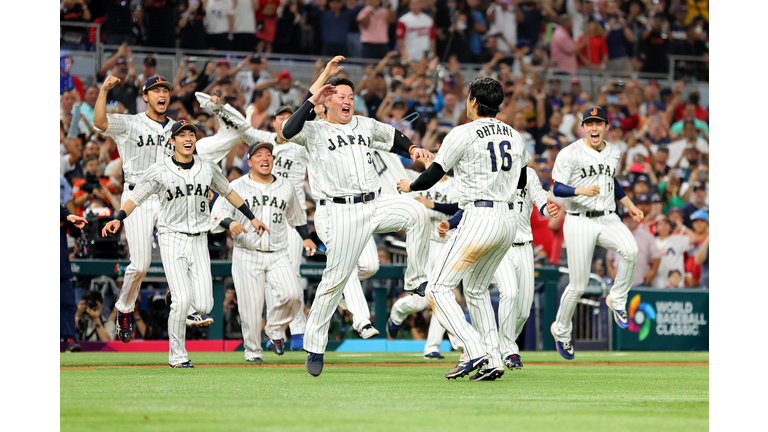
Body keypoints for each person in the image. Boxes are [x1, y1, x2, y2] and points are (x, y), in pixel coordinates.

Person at [280, 57, 434, 377]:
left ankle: (416, 281)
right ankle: (315, 346)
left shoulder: (364, 124)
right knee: (333, 281)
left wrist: (415, 148)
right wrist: (313, 99)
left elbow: (393, 137)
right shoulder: (315, 129)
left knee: (417, 212)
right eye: (340, 95)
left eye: (351, 96)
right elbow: (287, 129)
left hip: (375, 203)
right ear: (327, 100)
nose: (347, 100)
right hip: (341, 210)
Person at [94, 76, 250, 343]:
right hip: (138, 195)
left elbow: (225, 138)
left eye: (165, 90)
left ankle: (183, 302)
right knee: (140, 264)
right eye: (155, 90)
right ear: (146, 96)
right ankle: (125, 307)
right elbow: (100, 122)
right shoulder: (132, 123)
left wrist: (218, 109)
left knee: (186, 250)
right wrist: (104, 91)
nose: (161, 94)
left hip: (170, 197)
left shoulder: (178, 131)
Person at [102, 120, 269, 368]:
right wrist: (118, 218)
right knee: (182, 301)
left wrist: (252, 216)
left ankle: (175, 301)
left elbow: (228, 192)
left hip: (199, 240)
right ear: (172, 141)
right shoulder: (159, 170)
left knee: (204, 305)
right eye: (182, 135)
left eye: (191, 133)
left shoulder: (207, 168)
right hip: (171, 237)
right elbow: (135, 198)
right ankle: (177, 357)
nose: (188, 138)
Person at [398, 77, 530, 380]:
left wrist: (410, 185)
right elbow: (522, 181)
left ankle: (473, 349)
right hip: (509, 221)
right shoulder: (515, 135)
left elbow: (432, 175)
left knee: (437, 287)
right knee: (475, 288)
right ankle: (494, 359)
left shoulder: (463, 132)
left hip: (478, 217)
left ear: (472, 101)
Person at [550, 106, 644, 360]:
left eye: (599, 123)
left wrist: (630, 205)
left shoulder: (614, 151)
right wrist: (580, 191)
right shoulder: (569, 153)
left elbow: (611, 182)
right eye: (589, 124)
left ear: (606, 127)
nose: (594, 128)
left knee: (631, 250)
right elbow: (557, 188)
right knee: (578, 286)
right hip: (579, 220)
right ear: (583, 127)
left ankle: (617, 298)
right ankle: (560, 329)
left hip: (608, 216)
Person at [211, 141, 315, 362]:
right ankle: (253, 352)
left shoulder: (286, 186)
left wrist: (306, 237)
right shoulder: (236, 185)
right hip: (247, 252)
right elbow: (217, 213)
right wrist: (230, 224)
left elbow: (297, 217)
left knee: (293, 294)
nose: (265, 158)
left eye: (268, 154)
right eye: (258, 155)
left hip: (278, 253)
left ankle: (275, 330)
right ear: (249, 162)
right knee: (250, 308)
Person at [386, 153, 460, 359]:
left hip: (450, 245)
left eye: (439, 155)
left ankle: (432, 348)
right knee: (419, 302)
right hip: (426, 246)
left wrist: (433, 205)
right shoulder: (416, 180)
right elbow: (392, 169)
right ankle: (397, 314)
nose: (434, 159)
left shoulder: (457, 183)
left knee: (442, 296)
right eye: (431, 155)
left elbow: (462, 207)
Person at [606, 208, 660, 287]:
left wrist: (653, 271)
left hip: (641, 280)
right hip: (619, 281)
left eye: (630, 217)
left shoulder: (647, 236)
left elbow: (657, 257)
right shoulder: (616, 236)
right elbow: (609, 258)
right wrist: (611, 271)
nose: (628, 220)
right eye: (626, 217)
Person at [61, 205, 87, 352]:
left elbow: (76, 231)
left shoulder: (61, 213)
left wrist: (69, 214)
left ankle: (70, 340)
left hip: (61, 267)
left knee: (68, 304)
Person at [651, 216, 690, 288]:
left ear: (670, 227)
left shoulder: (678, 239)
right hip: (658, 281)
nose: (663, 227)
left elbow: (695, 238)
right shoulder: (652, 241)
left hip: (676, 282)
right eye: (660, 224)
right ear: (656, 228)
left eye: (666, 224)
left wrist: (682, 227)